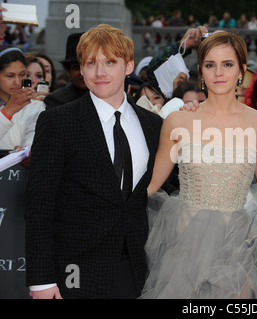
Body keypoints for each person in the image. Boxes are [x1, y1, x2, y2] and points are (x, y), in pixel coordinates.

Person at [25, 24, 164, 299]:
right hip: (74, 273)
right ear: (81, 69)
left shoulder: (153, 125)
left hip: (136, 271)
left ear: (128, 66)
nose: (99, 72)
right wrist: (41, 281)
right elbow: (39, 205)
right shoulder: (57, 121)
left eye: (109, 62)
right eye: (90, 63)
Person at [139, 31, 257, 299]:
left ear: (242, 70)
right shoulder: (178, 122)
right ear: (201, 71)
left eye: (227, 64)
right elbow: (150, 186)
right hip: (183, 247)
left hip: (235, 250)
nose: (218, 73)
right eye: (210, 65)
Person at [0, 47, 45, 150]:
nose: (17, 82)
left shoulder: (35, 105)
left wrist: (27, 149)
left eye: (22, 74)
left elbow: (34, 133)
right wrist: (8, 111)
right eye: (10, 76)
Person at [44, 32, 89, 109]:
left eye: (88, 65)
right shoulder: (57, 100)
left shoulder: (106, 97)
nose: (82, 72)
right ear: (68, 72)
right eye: (76, 67)